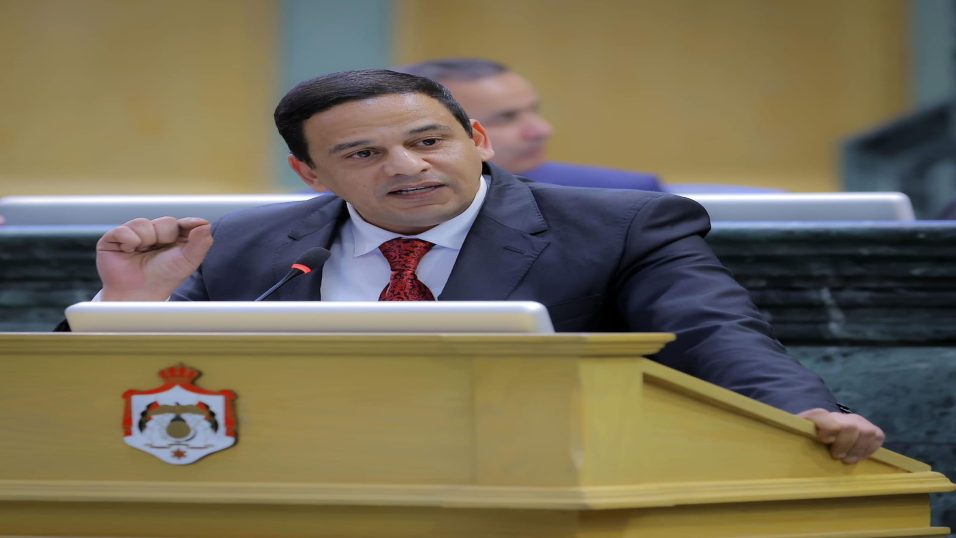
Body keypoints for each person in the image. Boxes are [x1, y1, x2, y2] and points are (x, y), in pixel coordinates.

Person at [94, 69, 883, 463]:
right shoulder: (243, 246)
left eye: (429, 141)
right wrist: (131, 305)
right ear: (311, 174)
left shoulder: (619, 227)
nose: (408, 167)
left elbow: (714, 332)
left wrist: (801, 416)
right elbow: (107, 402)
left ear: (476, 138)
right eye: (363, 154)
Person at [397, 58, 663, 192]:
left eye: (533, 111)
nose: (542, 130)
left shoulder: (621, 194)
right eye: (506, 118)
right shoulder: (382, 201)